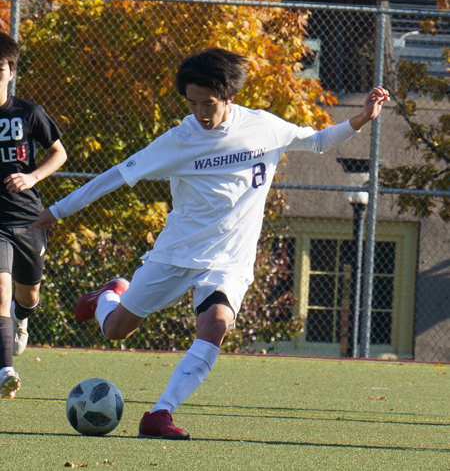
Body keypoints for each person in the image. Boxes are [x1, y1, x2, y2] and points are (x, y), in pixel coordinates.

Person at [29, 48, 389, 438]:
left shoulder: (264, 127)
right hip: (177, 252)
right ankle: (107, 298)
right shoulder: (178, 140)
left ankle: (159, 414)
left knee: (216, 323)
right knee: (117, 330)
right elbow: (116, 176)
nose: (200, 112)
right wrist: (58, 210)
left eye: (209, 103)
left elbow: (317, 141)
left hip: (230, 259)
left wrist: (361, 118)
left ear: (230, 95)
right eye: (192, 103)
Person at [0, 32, 67, 399]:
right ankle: (5, 369)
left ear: (11, 72)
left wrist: (32, 177)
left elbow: (59, 154)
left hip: (27, 218)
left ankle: (22, 319)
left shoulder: (28, 112)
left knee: (28, 294)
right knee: (1, 288)